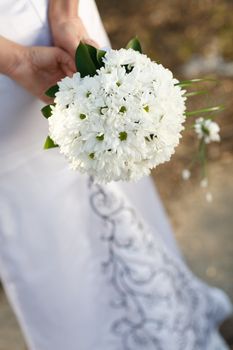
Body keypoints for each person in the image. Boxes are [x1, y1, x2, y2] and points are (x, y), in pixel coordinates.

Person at [0, 1, 231, 349]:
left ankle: (172, 326)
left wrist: (65, 14)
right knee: (49, 234)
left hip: (64, 22)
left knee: (125, 189)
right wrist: (14, 59)